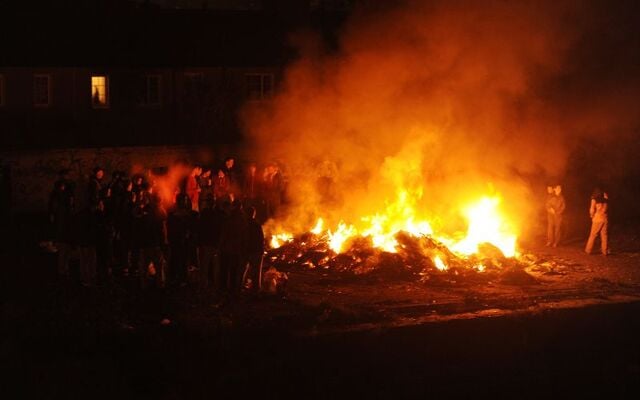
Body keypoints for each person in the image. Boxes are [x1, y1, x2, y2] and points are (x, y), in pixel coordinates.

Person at [242, 206, 264, 293]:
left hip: (247, 250)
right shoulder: (256, 225)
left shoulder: (244, 224)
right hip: (256, 251)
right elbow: (261, 239)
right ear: (253, 214)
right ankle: (255, 290)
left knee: (242, 270)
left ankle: (240, 287)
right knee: (256, 272)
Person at [585, 188, 609, 256]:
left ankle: (588, 250)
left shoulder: (594, 199)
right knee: (604, 235)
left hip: (597, 219)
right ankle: (605, 251)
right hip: (605, 219)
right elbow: (606, 209)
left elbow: (592, 209)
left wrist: (592, 216)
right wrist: (606, 198)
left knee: (593, 235)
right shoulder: (605, 200)